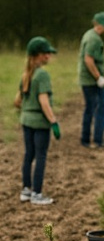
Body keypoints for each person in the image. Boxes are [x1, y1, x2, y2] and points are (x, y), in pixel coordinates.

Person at [15, 37, 60, 205]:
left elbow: (18, 101)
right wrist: (53, 121)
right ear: (37, 55)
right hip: (39, 122)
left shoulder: (27, 73)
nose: (49, 56)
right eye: (45, 53)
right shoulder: (42, 74)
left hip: (26, 119)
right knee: (40, 156)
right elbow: (44, 101)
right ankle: (37, 193)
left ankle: (26, 190)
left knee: (29, 154)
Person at [78, 11, 104, 150]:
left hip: (87, 80)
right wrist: (98, 78)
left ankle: (85, 139)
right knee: (100, 109)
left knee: (89, 108)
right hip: (91, 81)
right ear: (100, 25)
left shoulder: (89, 34)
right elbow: (88, 59)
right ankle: (98, 141)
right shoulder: (94, 39)